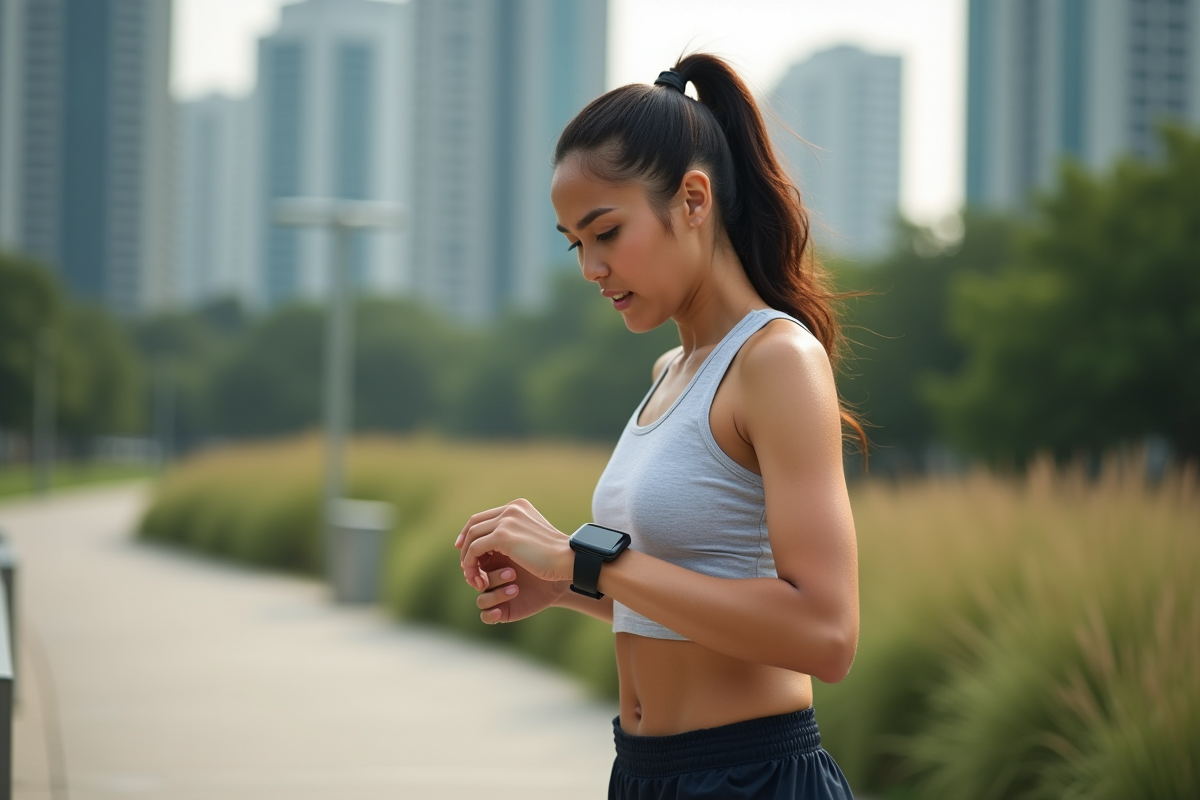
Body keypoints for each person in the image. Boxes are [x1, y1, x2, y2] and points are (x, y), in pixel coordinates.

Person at [455, 53, 862, 800]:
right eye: (576, 242)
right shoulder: (670, 372)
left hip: (753, 777)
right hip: (644, 776)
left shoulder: (776, 361)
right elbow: (701, 596)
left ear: (694, 199)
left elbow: (825, 634)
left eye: (606, 232)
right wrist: (566, 584)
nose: (590, 267)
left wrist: (582, 557)